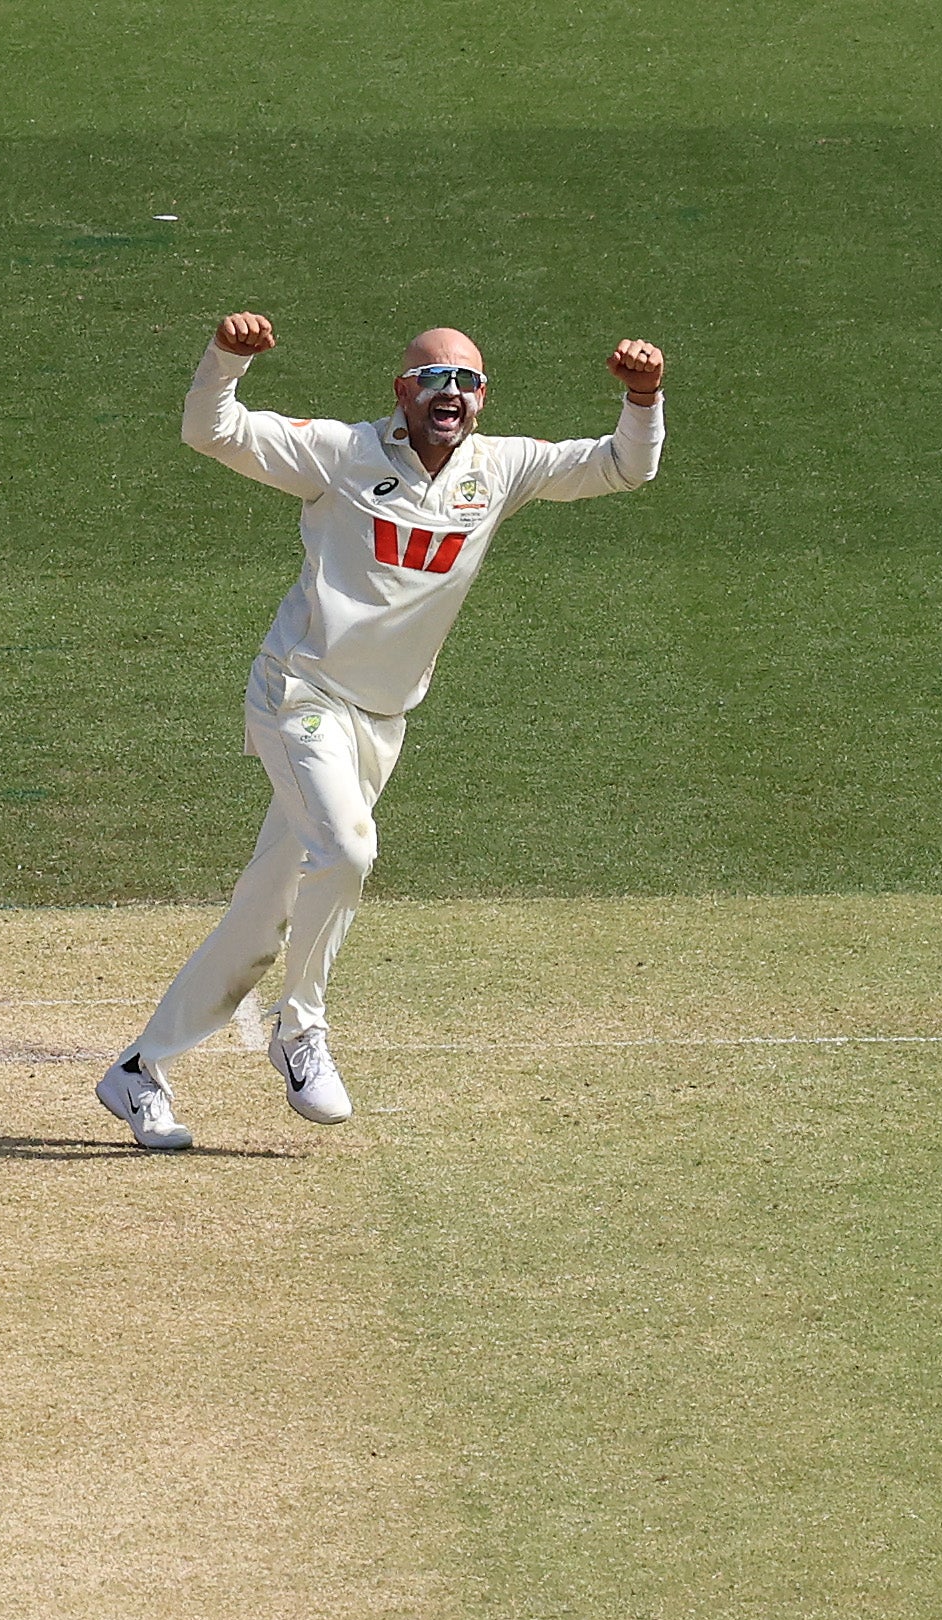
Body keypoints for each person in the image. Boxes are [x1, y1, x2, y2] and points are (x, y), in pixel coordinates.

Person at [97, 315, 667, 1150]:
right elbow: (208, 431)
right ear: (402, 391)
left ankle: (138, 1073)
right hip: (302, 695)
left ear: (481, 399)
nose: (451, 393)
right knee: (350, 854)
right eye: (433, 378)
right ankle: (301, 1032)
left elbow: (623, 465)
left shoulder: (498, 469)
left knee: (263, 919)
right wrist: (227, 359)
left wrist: (642, 395)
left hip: (380, 722)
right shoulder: (341, 453)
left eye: (467, 381)